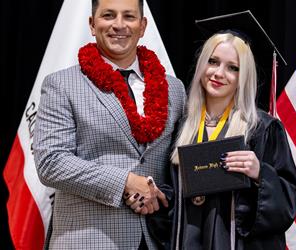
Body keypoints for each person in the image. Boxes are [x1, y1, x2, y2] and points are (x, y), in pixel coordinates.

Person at [33, 0, 186, 248]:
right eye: (108, 15)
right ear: (93, 25)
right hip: (88, 239)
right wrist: (124, 181)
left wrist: (161, 194)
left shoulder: (175, 89)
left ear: (143, 25)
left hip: (157, 238)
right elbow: (51, 162)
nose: (119, 25)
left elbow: (177, 164)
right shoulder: (62, 85)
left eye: (129, 16)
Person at [170, 11, 296, 250]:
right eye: (213, 62)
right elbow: (170, 196)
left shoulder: (262, 129)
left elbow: (289, 199)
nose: (219, 73)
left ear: (244, 76)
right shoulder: (183, 127)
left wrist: (260, 174)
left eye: (233, 67)